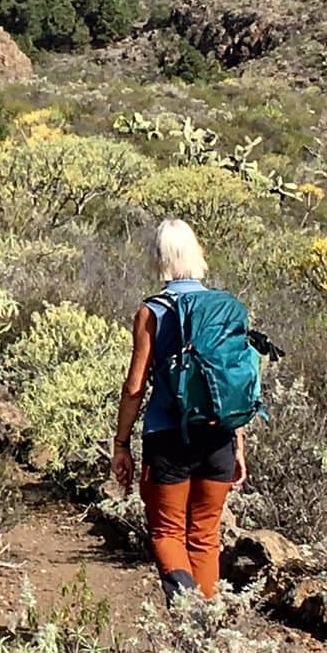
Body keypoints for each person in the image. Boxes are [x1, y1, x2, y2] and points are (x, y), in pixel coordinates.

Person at [110, 219, 247, 601]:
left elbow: (135, 386)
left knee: (167, 533)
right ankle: (208, 632)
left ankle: (188, 613)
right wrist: (239, 443)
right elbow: (230, 381)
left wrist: (121, 443)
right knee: (205, 535)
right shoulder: (223, 308)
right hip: (219, 434)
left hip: (168, 437)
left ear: (160, 259)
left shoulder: (152, 312)